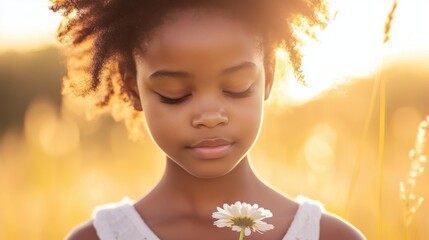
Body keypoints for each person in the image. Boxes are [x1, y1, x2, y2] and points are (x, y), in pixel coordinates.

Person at [51, 0, 365, 239]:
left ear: (268, 74)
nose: (210, 116)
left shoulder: (329, 236)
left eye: (237, 87)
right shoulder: (99, 237)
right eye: (174, 93)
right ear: (133, 88)